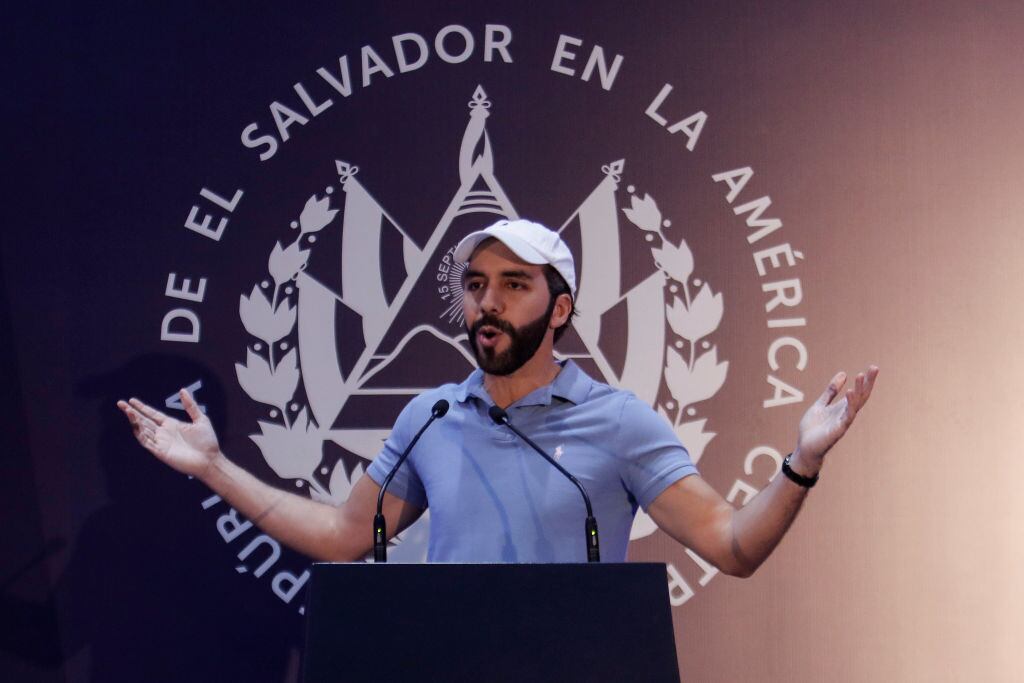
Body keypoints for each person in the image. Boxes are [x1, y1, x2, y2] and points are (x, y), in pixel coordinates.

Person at [119, 219, 878, 573]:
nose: (488, 302)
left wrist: (802, 462)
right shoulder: (431, 418)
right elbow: (345, 535)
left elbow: (732, 545)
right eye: (477, 285)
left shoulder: (617, 421)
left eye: (515, 284)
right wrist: (215, 468)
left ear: (560, 308)